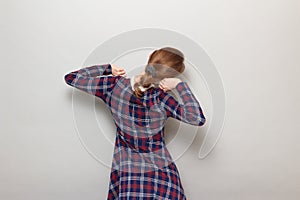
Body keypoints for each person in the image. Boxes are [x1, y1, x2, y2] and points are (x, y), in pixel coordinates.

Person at [64, 47, 206, 199]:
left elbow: (71, 78)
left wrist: (107, 68)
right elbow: (197, 118)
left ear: (150, 60)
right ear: (169, 76)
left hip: (128, 175)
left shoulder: (113, 86)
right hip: (162, 176)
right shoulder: (163, 99)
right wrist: (179, 84)